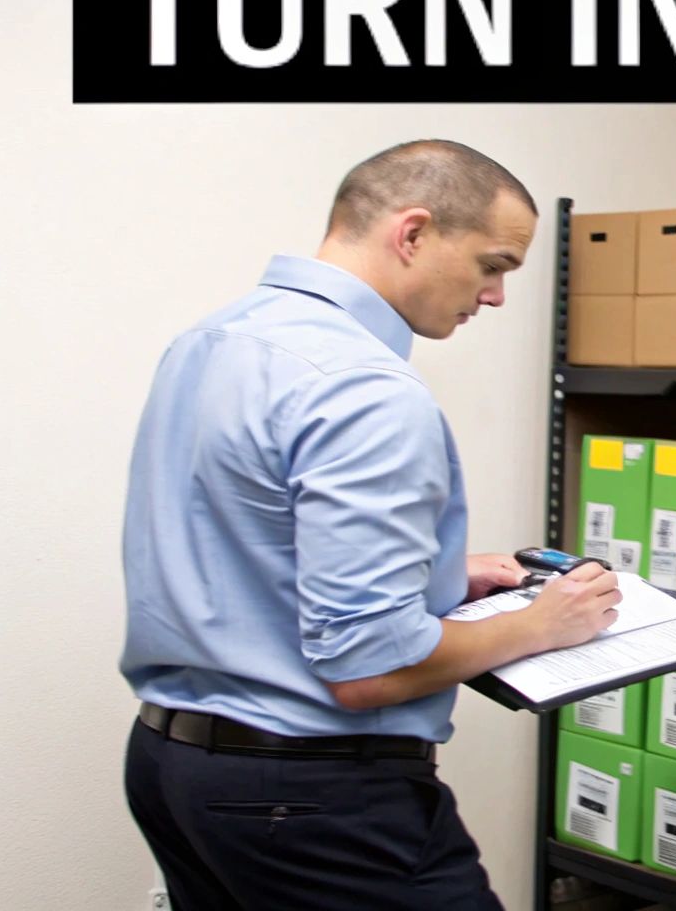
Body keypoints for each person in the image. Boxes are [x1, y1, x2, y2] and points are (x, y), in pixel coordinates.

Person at [118, 140, 622, 909]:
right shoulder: (364, 387)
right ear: (412, 233)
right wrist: (546, 624)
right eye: (493, 265)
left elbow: (242, 544)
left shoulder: (212, 342)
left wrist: (441, 578)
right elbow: (368, 669)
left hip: (174, 766)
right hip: (310, 795)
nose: (495, 298)